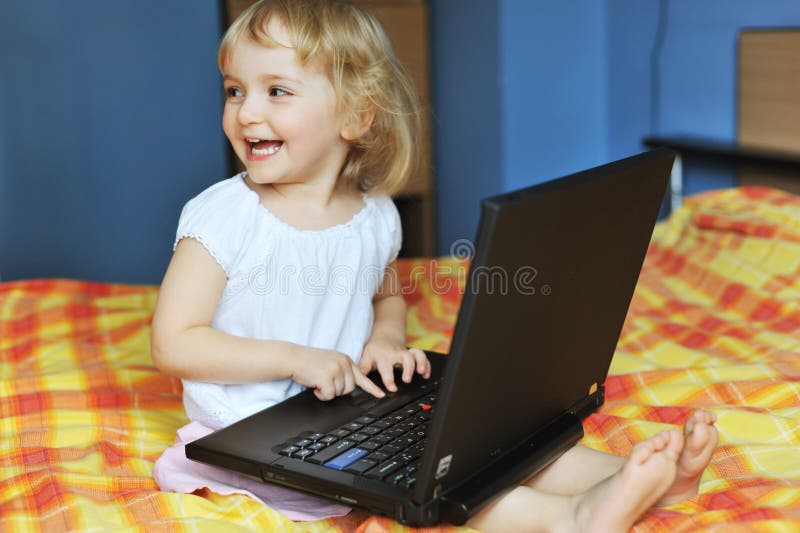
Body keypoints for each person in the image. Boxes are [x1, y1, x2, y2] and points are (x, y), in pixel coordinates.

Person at [150, 1, 719, 531]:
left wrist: (387, 339)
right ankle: (568, 518)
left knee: (473, 443)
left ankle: (642, 482)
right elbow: (174, 343)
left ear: (356, 114)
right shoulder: (225, 216)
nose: (246, 111)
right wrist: (294, 358)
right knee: (430, 479)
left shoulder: (372, 214)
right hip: (250, 433)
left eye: (276, 91)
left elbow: (386, 295)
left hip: (343, 410)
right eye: (233, 90)